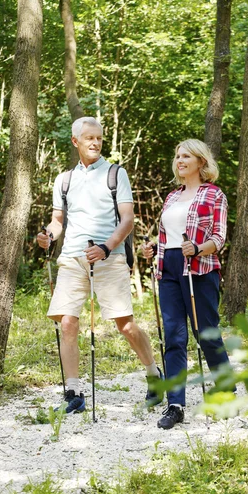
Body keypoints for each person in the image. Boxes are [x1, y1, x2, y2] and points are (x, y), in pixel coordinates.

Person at [37, 116, 162, 414]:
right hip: (71, 258)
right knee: (67, 321)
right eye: (89, 138)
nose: (95, 143)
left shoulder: (116, 174)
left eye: (99, 139)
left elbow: (128, 220)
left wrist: (106, 248)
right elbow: (57, 222)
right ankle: (74, 392)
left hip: (110, 257)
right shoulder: (64, 180)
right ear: (75, 141)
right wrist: (47, 236)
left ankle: (155, 376)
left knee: (125, 325)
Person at [142, 139, 233, 430]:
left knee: (205, 332)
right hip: (168, 268)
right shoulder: (171, 197)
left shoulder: (214, 195)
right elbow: (169, 236)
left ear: (201, 162)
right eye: (177, 155)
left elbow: (218, 238)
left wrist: (197, 248)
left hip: (199, 270)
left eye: (186, 156)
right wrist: (153, 247)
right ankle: (175, 404)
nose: (179, 160)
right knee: (174, 336)